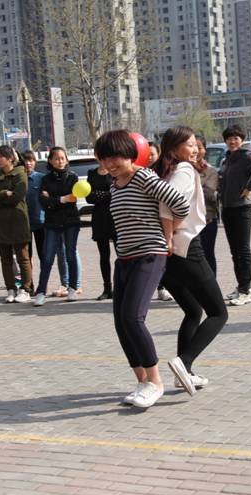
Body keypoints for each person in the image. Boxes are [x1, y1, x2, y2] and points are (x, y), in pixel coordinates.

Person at [95, 130, 189, 408]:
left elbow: (180, 203)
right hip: (124, 258)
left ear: (129, 154)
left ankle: (156, 382)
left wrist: (169, 234)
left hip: (149, 254)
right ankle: (142, 381)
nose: (110, 164)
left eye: (115, 158)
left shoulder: (144, 177)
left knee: (133, 317)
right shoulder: (115, 184)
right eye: (104, 159)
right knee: (121, 322)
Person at [155, 126, 228, 396]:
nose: (195, 149)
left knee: (193, 310)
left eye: (196, 144)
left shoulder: (167, 170)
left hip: (169, 253)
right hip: (186, 246)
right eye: (189, 145)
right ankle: (184, 362)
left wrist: (167, 237)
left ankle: (184, 373)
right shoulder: (184, 170)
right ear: (174, 149)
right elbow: (168, 203)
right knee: (219, 313)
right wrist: (169, 234)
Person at [218, 124, 251, 306]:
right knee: (235, 252)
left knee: (243, 250)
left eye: (236, 138)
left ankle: (246, 290)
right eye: (229, 138)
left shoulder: (246, 156)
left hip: (241, 208)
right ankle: (241, 286)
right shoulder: (227, 159)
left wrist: (249, 188)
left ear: (241, 140)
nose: (232, 141)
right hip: (227, 208)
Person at [34, 147, 81, 306]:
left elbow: (73, 199)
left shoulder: (73, 177)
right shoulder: (45, 180)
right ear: (50, 161)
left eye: (62, 158)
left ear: (66, 160)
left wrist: (54, 199)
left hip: (70, 221)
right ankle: (41, 292)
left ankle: (72, 288)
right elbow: (43, 202)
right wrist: (62, 199)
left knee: (70, 255)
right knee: (47, 258)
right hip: (52, 223)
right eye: (56, 158)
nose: (60, 161)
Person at [0, 145, 32, 304]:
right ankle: (10, 289)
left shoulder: (20, 173)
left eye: (1, 156)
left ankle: (25, 289)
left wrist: (1, 198)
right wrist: (4, 193)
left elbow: (17, 196)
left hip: (18, 221)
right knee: (5, 259)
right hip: (1, 222)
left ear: (10, 158)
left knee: (23, 257)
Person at [146, 141, 173, 302]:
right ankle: (156, 288)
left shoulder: (165, 172)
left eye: (152, 154)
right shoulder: (138, 172)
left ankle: (163, 287)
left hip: (164, 220)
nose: (149, 157)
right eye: (146, 154)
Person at [86, 160, 116, 300]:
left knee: (121, 254)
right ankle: (107, 288)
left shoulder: (115, 172)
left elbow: (116, 193)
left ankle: (121, 286)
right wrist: (106, 194)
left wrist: (99, 195)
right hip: (99, 218)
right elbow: (89, 197)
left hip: (115, 215)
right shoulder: (91, 174)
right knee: (104, 256)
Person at [195, 134, 219, 274]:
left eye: (199, 147)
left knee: (207, 254)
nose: (196, 151)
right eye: (192, 146)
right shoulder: (179, 169)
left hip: (207, 219)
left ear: (204, 150)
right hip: (186, 222)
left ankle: (211, 283)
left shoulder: (211, 171)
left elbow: (209, 193)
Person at [23, 150, 45, 291]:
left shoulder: (41, 178)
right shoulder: (19, 178)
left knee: (44, 256)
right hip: (23, 224)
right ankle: (28, 285)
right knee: (26, 257)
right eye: (25, 160)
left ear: (35, 162)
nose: (28, 163)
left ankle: (42, 285)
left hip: (40, 222)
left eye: (31, 160)